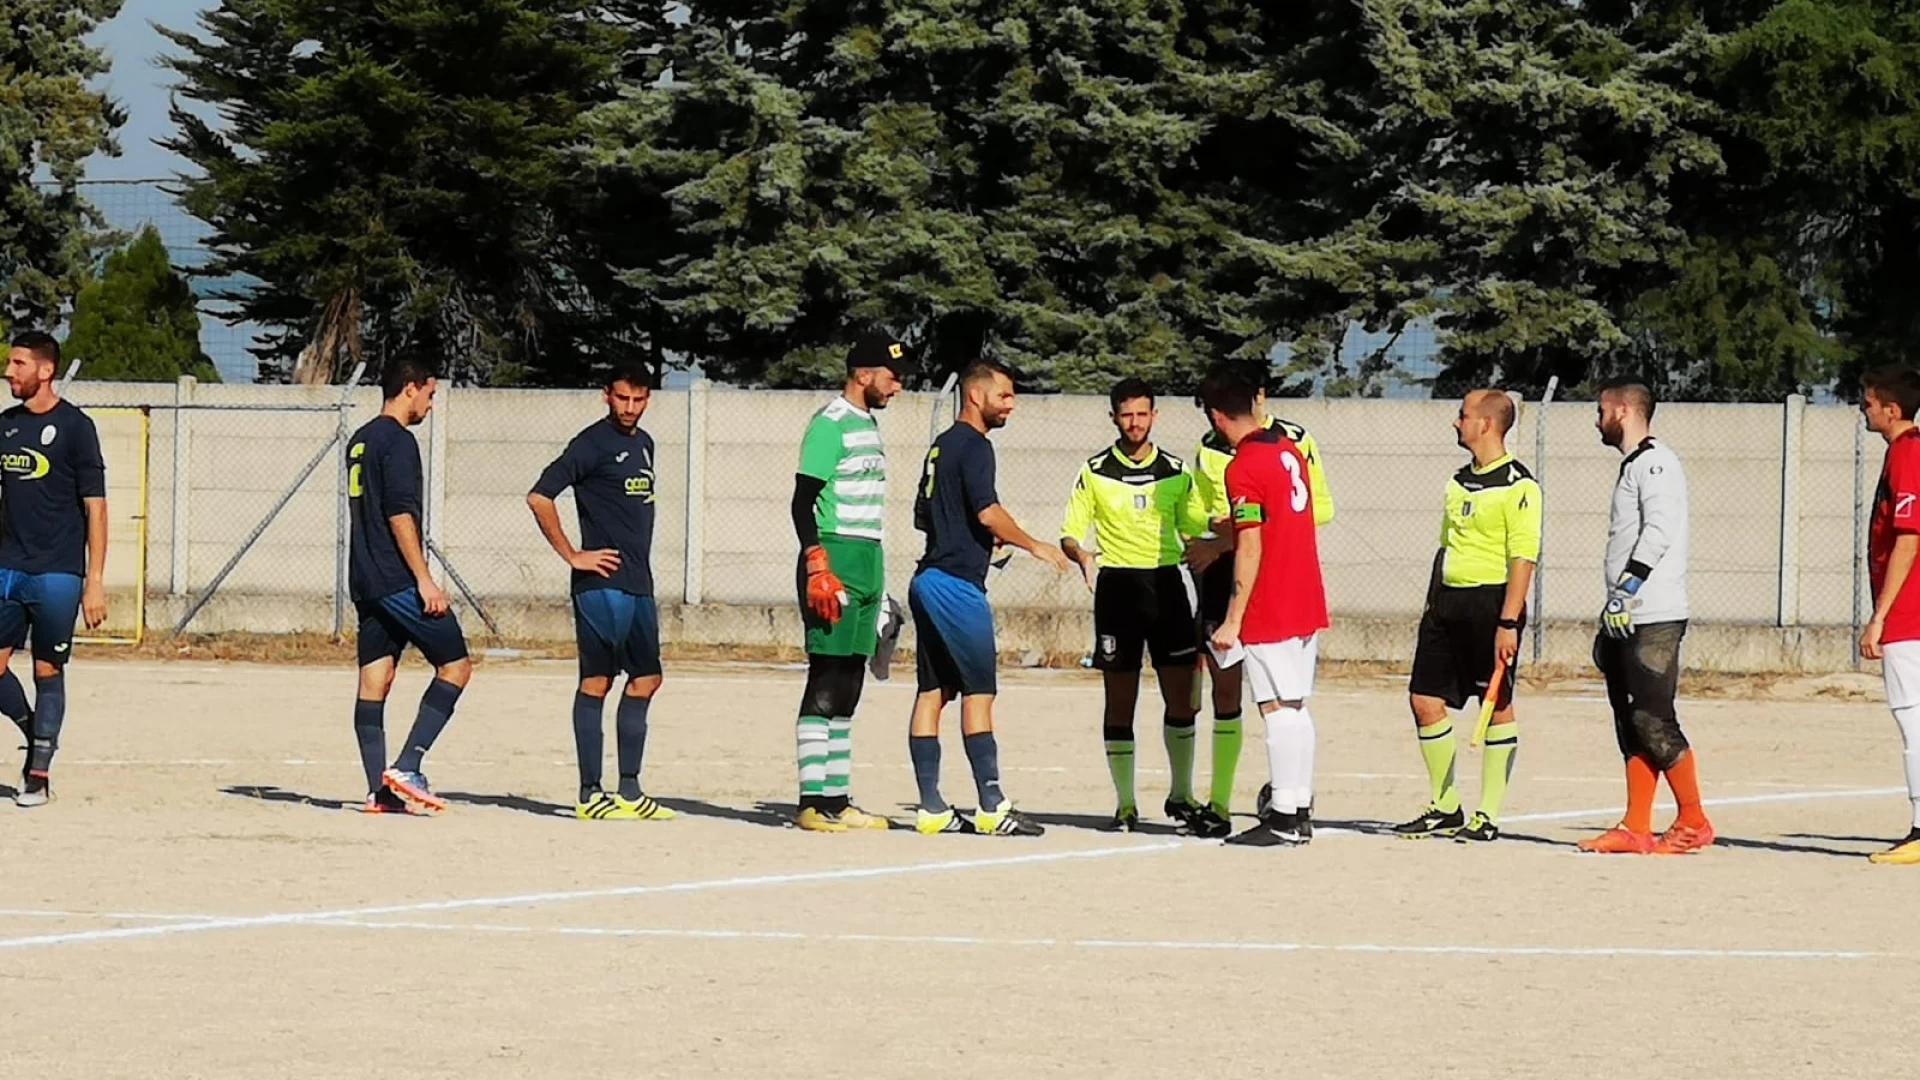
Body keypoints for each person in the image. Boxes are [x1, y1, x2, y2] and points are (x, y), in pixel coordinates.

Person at [907, 359, 1071, 836]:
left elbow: (926, 514)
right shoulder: (976, 446)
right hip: (957, 585)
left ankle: (932, 808)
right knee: (979, 694)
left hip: (927, 578)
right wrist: (1031, 542)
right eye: (1005, 396)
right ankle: (992, 807)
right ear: (975, 395)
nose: (1011, 406)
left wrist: (974, 536)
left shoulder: (940, 447)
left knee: (931, 692)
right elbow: (988, 512)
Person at [527, 361, 676, 822]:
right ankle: (590, 793)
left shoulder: (645, 444)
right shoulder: (590, 444)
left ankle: (629, 791)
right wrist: (574, 555)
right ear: (605, 395)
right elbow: (539, 496)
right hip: (601, 586)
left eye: (639, 399)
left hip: (638, 585)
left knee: (647, 679)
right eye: (622, 398)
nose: (630, 408)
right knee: (597, 681)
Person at [1059, 377, 1209, 832]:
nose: (1135, 422)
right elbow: (1070, 531)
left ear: (1154, 416)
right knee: (1119, 700)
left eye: (1143, 414)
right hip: (1117, 590)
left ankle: (1180, 794)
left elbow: (1193, 531)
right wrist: (1081, 554)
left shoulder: (1179, 472)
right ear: (1113, 417)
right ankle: (1125, 803)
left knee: (1180, 699)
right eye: (1127, 414)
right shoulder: (1094, 471)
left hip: (1166, 587)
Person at [1185, 377, 1333, 835]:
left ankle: (1284, 816)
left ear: (1215, 416)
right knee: (1296, 704)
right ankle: (1300, 806)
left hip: (1272, 598)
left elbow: (1250, 546)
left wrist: (1233, 618)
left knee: (1275, 707)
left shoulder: (1243, 465)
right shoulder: (1290, 449)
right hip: (1306, 589)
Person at [1393, 389, 1539, 843]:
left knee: (1495, 705)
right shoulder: (1457, 481)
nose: (1456, 423)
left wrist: (1509, 622)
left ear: (1487, 424)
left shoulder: (1520, 485)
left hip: (1490, 604)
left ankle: (1487, 814)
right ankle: (1446, 804)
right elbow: (1447, 544)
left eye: (1463, 415)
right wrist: (1434, 599)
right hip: (1447, 602)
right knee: (1424, 699)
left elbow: (1523, 556)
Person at [1579, 379, 1712, 855]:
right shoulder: (1633, 465)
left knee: (1653, 719)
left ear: (1621, 410)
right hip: (1626, 614)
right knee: (1630, 721)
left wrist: (1629, 588)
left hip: (1651, 614)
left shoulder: (1656, 461)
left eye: (1600, 411)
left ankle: (1694, 818)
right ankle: (1636, 825)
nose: (1597, 421)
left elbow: (1660, 526)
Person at [788, 332, 910, 832]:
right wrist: (817, 561)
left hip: (868, 560)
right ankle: (811, 802)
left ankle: (837, 799)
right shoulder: (830, 423)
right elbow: (802, 500)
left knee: (853, 682)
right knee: (827, 677)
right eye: (892, 375)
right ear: (864, 373)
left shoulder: (868, 425)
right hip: (834, 557)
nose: (897, 386)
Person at [347, 357, 471, 814]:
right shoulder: (398, 441)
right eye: (430, 394)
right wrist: (424, 579)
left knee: (375, 679)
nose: (431, 404)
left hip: (363, 577)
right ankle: (408, 765)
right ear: (410, 388)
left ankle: (379, 794)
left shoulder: (360, 439)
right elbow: (399, 513)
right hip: (396, 577)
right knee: (456, 666)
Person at [0, 332, 108, 808]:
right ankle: (33, 728)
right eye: (9, 362)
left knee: (48, 669)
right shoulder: (4, 426)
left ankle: (38, 774)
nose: (9, 371)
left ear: (44, 370)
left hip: (58, 574)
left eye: (18, 363)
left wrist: (95, 582)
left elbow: (96, 509)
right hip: (7, 567)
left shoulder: (76, 427)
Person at [1858, 366, 1920, 865]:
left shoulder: (1908, 453)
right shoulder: (1901, 452)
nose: (1865, 409)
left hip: (1908, 613)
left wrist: (1880, 615)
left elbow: (1909, 536)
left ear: (1891, 410)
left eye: (1869, 402)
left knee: (1912, 716)